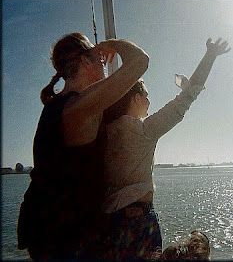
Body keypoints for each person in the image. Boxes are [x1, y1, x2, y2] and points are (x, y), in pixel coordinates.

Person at [17, 32, 149, 260]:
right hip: (65, 240)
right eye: (96, 54)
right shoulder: (76, 108)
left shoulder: (63, 107)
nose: (102, 58)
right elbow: (140, 61)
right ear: (85, 61)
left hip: (55, 233)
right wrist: (112, 44)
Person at [101, 37, 230, 260]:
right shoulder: (141, 130)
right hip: (138, 220)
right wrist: (210, 56)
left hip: (111, 222)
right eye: (147, 95)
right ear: (136, 98)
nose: (149, 100)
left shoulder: (106, 131)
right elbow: (187, 97)